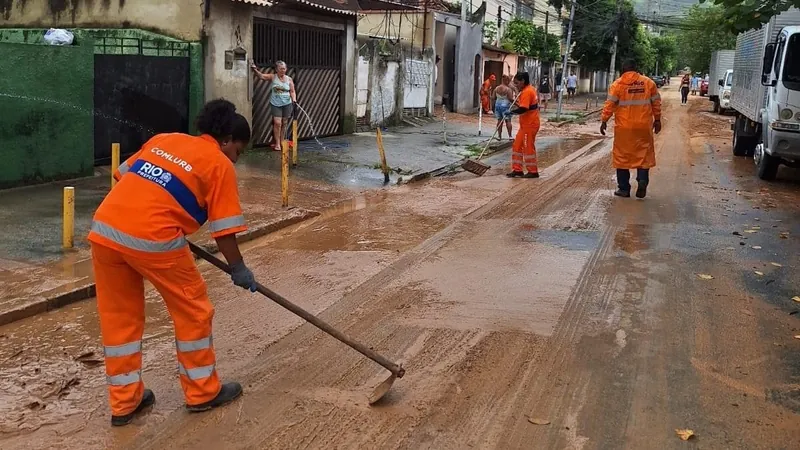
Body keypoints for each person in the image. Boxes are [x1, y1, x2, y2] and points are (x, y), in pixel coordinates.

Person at [88, 99, 257, 426]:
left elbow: (121, 174)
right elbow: (225, 231)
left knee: (119, 317)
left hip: (105, 229)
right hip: (153, 236)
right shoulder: (219, 164)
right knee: (193, 309)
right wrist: (238, 267)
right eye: (239, 150)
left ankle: (125, 403)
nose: (237, 158)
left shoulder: (165, 139)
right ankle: (203, 391)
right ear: (225, 141)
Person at [600, 59, 662, 198]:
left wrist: (604, 120)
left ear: (623, 69)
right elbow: (656, 103)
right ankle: (642, 179)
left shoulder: (618, 84)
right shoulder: (648, 83)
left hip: (624, 127)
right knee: (643, 154)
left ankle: (624, 189)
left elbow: (609, 105)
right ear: (636, 68)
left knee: (622, 156)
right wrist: (657, 120)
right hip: (643, 126)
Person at [251, 60, 297, 151]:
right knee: (277, 123)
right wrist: (254, 69)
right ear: (276, 69)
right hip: (276, 104)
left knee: (284, 123)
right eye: (281, 69)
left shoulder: (289, 79)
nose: (283, 70)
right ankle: (277, 144)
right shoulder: (273, 77)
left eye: (284, 68)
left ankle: (282, 141)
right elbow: (261, 76)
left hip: (287, 103)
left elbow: (292, 91)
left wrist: (294, 100)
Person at [505, 71, 540, 178]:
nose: (515, 85)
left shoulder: (527, 92)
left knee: (528, 147)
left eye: (517, 83)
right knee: (517, 146)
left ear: (523, 81)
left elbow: (523, 109)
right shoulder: (527, 89)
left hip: (530, 125)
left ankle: (533, 171)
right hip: (525, 125)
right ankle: (517, 169)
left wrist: (512, 112)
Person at [492, 75, 516, 139]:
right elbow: (510, 99)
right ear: (506, 81)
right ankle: (510, 136)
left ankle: (499, 136)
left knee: (499, 120)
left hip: (497, 106)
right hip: (505, 106)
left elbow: (493, 98)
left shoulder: (496, 88)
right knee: (508, 120)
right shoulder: (508, 89)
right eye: (508, 81)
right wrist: (516, 103)